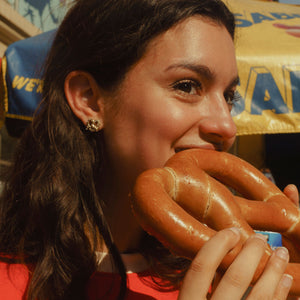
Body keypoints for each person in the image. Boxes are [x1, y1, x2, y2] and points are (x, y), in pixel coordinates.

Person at [0, 0, 298, 299]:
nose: (227, 126)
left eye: (229, 95)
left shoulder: (220, 280)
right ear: (88, 98)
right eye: (187, 86)